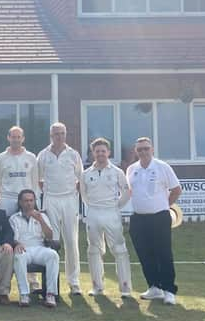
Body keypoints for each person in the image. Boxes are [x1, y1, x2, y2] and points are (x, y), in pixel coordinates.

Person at [127, 137, 182, 305]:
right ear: (136, 152)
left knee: (163, 253)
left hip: (159, 217)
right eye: (140, 149)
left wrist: (165, 205)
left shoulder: (162, 167)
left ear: (152, 149)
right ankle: (154, 287)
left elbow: (176, 190)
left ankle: (169, 290)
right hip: (138, 218)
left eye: (146, 148)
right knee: (145, 254)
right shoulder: (131, 169)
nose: (143, 152)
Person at [79, 138, 132, 298]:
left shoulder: (117, 172)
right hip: (94, 212)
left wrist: (116, 206)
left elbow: (127, 192)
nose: (100, 154)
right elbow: (84, 195)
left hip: (111, 212)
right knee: (94, 249)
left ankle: (125, 288)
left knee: (119, 249)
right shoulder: (86, 174)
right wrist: (95, 206)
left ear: (108, 152)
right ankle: (97, 287)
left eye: (103, 151)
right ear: (93, 153)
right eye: (97, 151)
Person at [37, 122, 83, 295]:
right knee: (52, 241)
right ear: (51, 135)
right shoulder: (43, 155)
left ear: (66, 134)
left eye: (62, 133)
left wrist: (71, 194)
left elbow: (81, 179)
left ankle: (74, 282)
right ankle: (52, 282)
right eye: (56, 134)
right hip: (51, 201)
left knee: (71, 241)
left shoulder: (73, 154)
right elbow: (39, 179)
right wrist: (50, 194)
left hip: (70, 200)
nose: (59, 136)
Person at [10, 189, 59, 308]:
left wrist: (40, 220)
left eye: (31, 200)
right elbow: (13, 238)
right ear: (20, 202)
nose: (29, 203)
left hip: (39, 249)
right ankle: (24, 294)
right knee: (18, 257)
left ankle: (50, 294)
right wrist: (17, 244)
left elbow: (49, 236)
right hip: (24, 249)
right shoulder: (14, 218)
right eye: (26, 200)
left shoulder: (41, 216)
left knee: (53, 255)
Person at [0, 126, 38, 216]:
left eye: (18, 137)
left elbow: (35, 181)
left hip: (26, 199)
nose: (16, 140)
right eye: (13, 137)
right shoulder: (0, 158)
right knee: (6, 227)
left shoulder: (31, 157)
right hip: (7, 199)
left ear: (23, 139)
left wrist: (33, 199)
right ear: (8, 138)